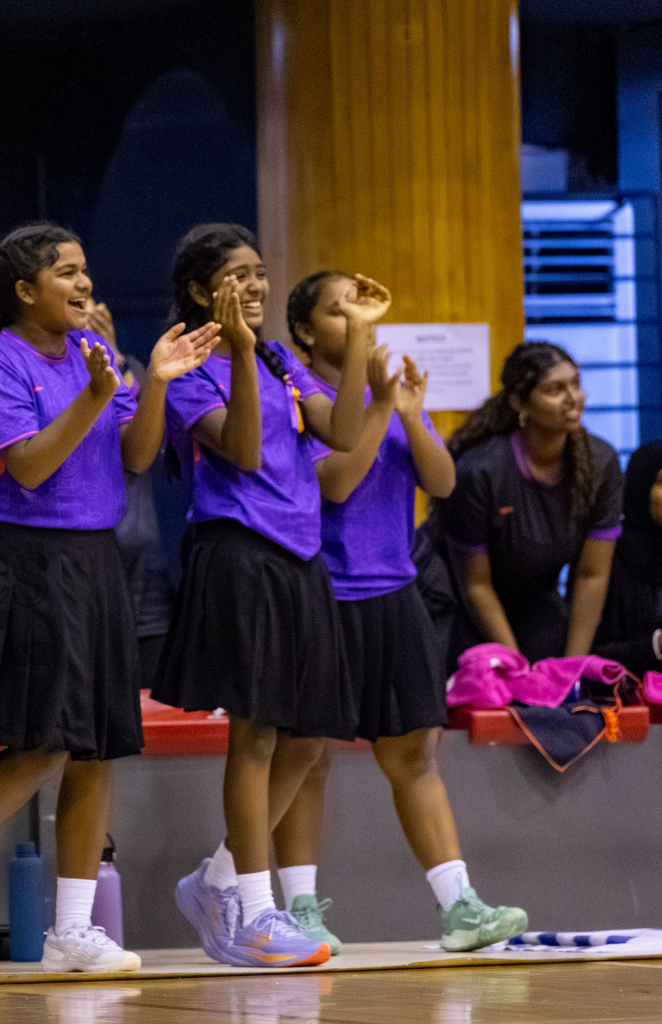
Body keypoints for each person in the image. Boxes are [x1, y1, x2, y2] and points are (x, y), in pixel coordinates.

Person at [0, 223, 219, 974]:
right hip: (22, 561)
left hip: (95, 563)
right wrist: (98, 395)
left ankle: (73, 929)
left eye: (86, 270)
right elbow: (30, 468)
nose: (84, 283)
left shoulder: (95, 360)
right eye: (67, 272)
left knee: (95, 744)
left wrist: (149, 381)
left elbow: (135, 458)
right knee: (43, 740)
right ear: (25, 291)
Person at [269, 270, 526, 956]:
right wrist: (381, 407)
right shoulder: (296, 393)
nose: (357, 320)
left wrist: (410, 412)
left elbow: (440, 483)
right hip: (322, 592)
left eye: (362, 309)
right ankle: (297, 908)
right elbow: (337, 481)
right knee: (307, 754)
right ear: (303, 329)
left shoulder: (384, 391)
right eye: (338, 311)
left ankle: (459, 907)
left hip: (396, 590)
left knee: (415, 751)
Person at [154, 223, 372, 969]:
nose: (255, 285)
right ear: (198, 290)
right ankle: (252, 910)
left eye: (260, 273)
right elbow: (242, 450)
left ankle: (214, 879)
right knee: (254, 735)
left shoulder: (281, 357)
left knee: (310, 736)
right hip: (236, 555)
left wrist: (364, 338)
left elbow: (343, 433)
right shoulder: (191, 369)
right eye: (238, 275)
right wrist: (241, 353)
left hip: (300, 557)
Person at [438, 342, 624, 667]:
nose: (573, 398)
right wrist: (515, 665)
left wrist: (573, 667)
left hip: (536, 598)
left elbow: (591, 575)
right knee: (491, 692)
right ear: (521, 403)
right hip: (461, 601)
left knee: (554, 691)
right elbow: (475, 584)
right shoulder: (481, 471)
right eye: (555, 390)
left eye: (576, 384)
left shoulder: (601, 462)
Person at [86, 299, 177, 683]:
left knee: (147, 692)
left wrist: (115, 356)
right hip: (84, 557)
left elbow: (139, 457)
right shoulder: (40, 375)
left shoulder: (134, 373)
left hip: (141, 561)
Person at [594, 440, 662, 676]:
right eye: (661, 483)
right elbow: (588, 652)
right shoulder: (607, 553)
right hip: (627, 699)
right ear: (640, 486)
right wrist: (655, 646)